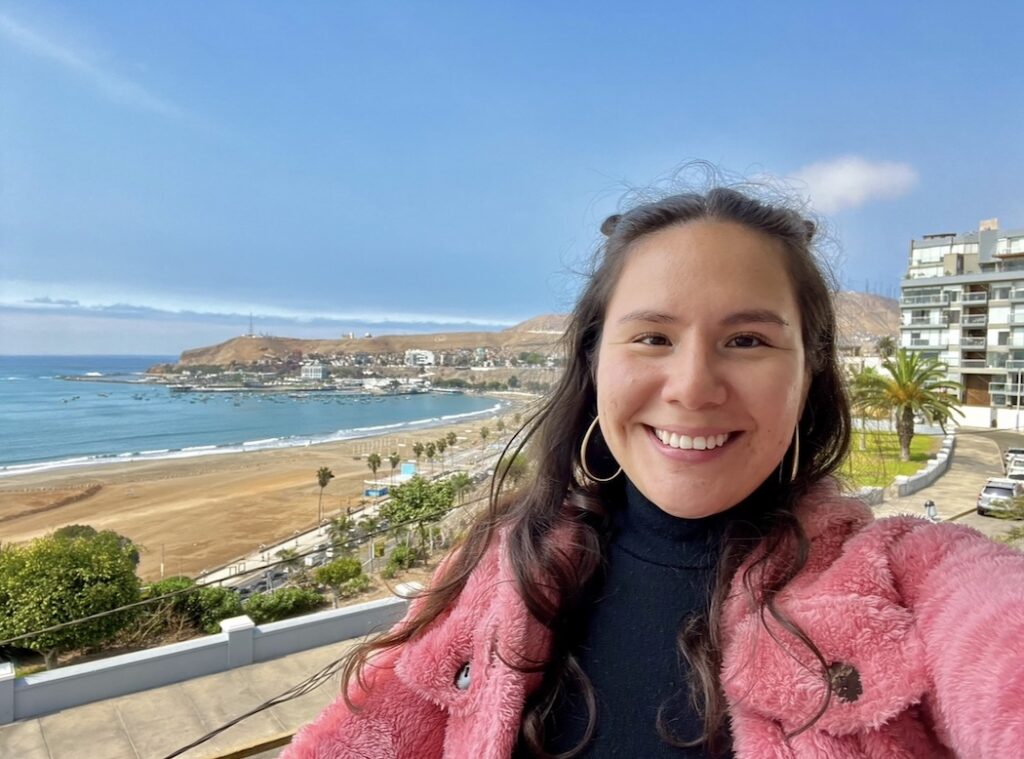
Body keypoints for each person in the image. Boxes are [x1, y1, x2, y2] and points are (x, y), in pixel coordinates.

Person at [282, 186, 1024, 758]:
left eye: (746, 338)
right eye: (653, 336)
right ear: (595, 362)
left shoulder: (904, 581)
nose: (694, 386)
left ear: (809, 373)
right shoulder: (502, 566)